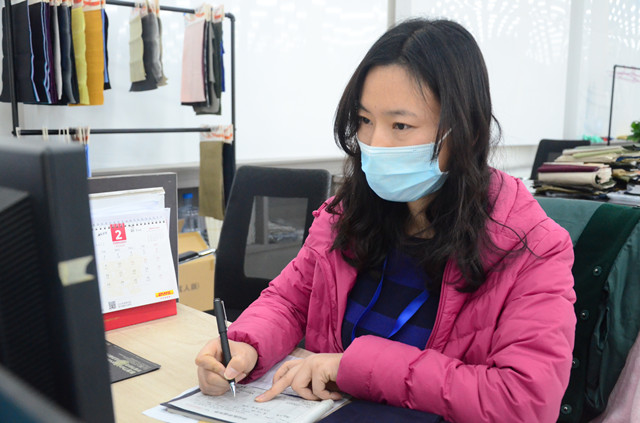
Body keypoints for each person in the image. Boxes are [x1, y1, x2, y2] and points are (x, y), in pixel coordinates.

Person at [196, 18, 576, 423]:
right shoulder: (346, 214)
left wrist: (355, 368)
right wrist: (246, 344)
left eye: (401, 126)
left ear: (465, 130)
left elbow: (526, 401)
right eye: (364, 120)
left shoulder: (532, 247)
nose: (375, 143)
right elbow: (290, 301)